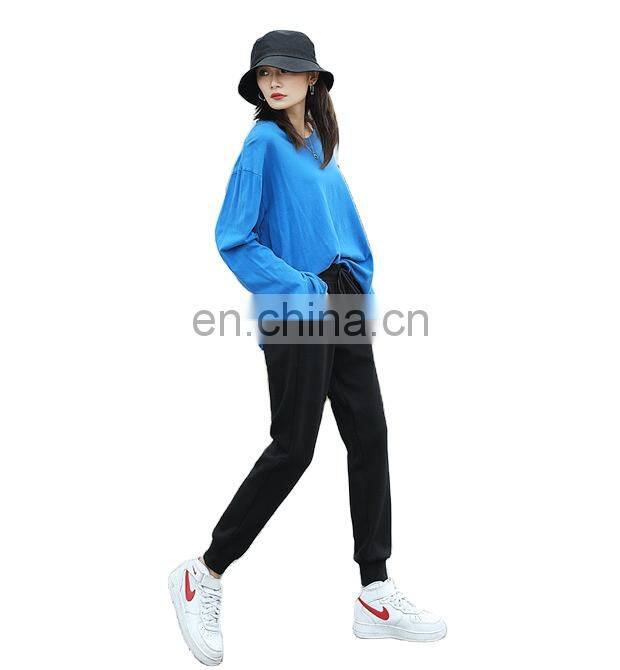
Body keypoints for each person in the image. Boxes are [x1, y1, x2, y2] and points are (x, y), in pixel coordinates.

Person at [168, 30, 447, 666]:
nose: (274, 82)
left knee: (370, 434)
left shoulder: (318, 143)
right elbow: (233, 236)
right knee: (294, 447)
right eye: (265, 73)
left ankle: (374, 590)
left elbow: (339, 220)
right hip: (297, 305)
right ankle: (204, 572)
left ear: (311, 79)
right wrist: (300, 287)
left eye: (287, 72)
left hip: (338, 297)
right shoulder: (262, 144)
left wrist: (356, 281)